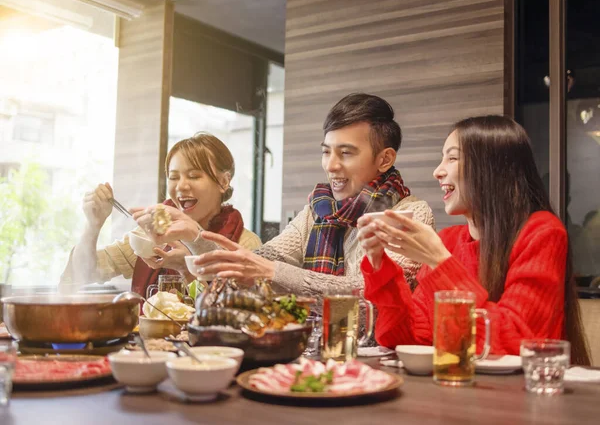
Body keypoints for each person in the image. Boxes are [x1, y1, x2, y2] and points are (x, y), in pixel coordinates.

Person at [133, 93, 434, 302]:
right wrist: (193, 233)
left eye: (346, 153)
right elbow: (255, 265)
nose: (331, 165)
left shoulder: (411, 215)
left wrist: (270, 272)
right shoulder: (317, 210)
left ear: (384, 159)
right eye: (326, 151)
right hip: (307, 349)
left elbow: (368, 293)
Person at [357, 115, 590, 364]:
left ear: (492, 168)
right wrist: (379, 265)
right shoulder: (448, 240)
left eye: (452, 157)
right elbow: (409, 338)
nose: (438, 171)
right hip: (458, 389)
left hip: (522, 396)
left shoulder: (542, 232)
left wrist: (440, 263)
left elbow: (516, 343)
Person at [61, 133, 261, 297]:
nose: (181, 186)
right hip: (150, 344)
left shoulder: (245, 244)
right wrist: (93, 226)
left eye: (194, 176)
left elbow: (244, 311)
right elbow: (83, 273)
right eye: (173, 177)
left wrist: (187, 270)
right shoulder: (150, 234)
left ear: (224, 182)